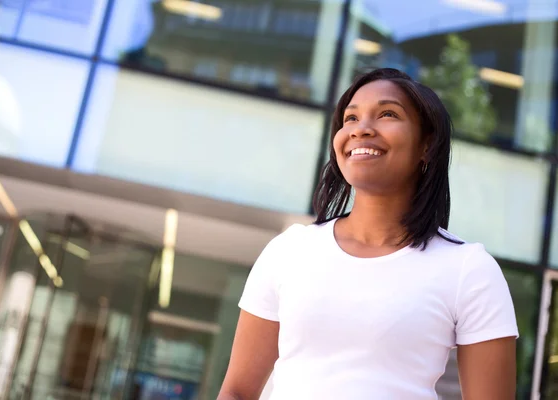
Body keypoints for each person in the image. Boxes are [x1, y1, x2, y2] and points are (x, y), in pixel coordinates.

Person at [217, 68, 518, 400]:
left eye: (388, 114)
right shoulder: (289, 250)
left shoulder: (469, 270)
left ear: (427, 145)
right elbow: (236, 392)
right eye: (350, 118)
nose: (361, 129)